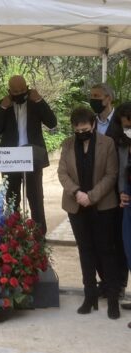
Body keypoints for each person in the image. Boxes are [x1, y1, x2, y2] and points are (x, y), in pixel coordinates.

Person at [58, 107, 120, 319]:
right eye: (77, 130)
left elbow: (111, 175)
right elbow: (62, 173)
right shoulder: (67, 144)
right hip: (76, 205)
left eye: (84, 129)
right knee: (85, 251)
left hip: (102, 205)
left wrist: (90, 196)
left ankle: (112, 299)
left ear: (93, 125)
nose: (81, 133)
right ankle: (89, 295)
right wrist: (76, 192)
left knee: (106, 251)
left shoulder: (107, 143)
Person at [0, 75, 57, 235]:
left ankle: (39, 237)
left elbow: (52, 122)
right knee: (12, 199)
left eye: (22, 90)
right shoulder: (1, 105)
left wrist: (40, 100)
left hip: (32, 156)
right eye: (15, 91)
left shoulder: (35, 102)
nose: (19, 93)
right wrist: (2, 108)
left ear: (27, 88)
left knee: (36, 199)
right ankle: (14, 236)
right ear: (9, 91)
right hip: (10, 158)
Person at [89, 83, 128, 298]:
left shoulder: (122, 121)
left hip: (117, 191)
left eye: (97, 96)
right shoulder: (90, 121)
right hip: (95, 190)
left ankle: (119, 284)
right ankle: (105, 281)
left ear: (108, 98)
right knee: (99, 240)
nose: (93, 99)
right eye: (91, 96)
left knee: (118, 240)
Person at [115, 102, 131, 327]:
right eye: (124, 125)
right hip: (128, 200)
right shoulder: (124, 144)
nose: (127, 128)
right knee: (129, 249)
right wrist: (123, 194)